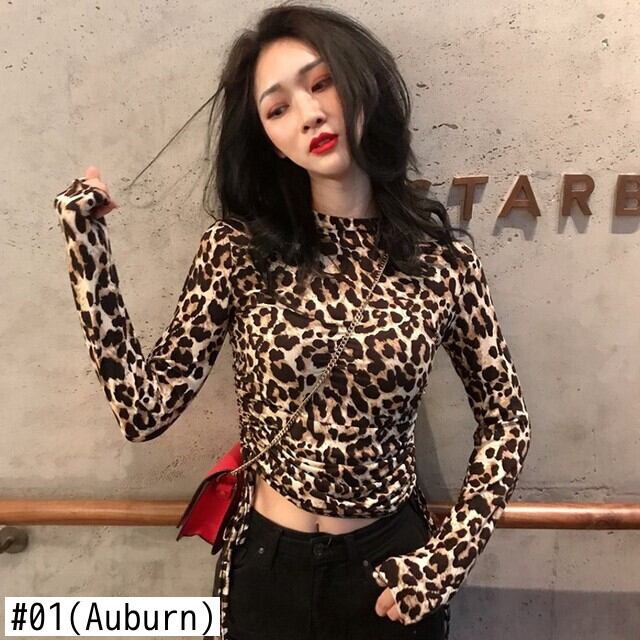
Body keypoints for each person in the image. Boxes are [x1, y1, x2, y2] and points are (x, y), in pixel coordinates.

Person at [52, 4, 531, 639]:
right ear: (267, 137)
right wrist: (86, 246)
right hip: (266, 563)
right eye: (277, 108)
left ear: (361, 83)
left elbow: (506, 417)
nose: (307, 114)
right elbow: (144, 411)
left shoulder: (443, 263)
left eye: (321, 82)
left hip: (391, 571)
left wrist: (447, 560)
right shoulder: (237, 251)